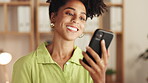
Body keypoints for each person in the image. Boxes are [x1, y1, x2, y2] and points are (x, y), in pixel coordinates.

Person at [12, 0, 109, 83]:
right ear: (53, 17)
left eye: (82, 18)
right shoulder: (25, 65)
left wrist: (100, 81)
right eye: (69, 13)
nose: (76, 20)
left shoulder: (90, 66)